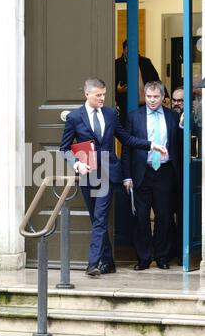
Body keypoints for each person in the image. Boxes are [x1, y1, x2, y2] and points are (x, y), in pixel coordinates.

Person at [60, 78, 167, 277]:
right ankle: (108, 262)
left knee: (100, 218)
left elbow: (125, 138)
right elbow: (64, 148)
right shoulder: (75, 117)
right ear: (87, 94)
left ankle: (93, 263)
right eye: (98, 95)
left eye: (104, 94)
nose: (102, 98)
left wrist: (151, 145)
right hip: (88, 174)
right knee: (96, 219)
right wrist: (76, 163)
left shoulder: (110, 114)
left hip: (108, 173)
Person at [121, 81, 182, 271]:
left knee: (164, 216)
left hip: (164, 172)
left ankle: (162, 256)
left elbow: (181, 145)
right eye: (149, 96)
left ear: (163, 97)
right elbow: (127, 148)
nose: (152, 100)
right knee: (141, 217)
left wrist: (182, 127)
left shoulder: (173, 116)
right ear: (145, 96)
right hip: (142, 172)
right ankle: (144, 258)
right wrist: (127, 176)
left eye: (156, 97)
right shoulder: (134, 117)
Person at [115, 40, 168, 127]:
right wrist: (118, 90)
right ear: (124, 50)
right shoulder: (117, 64)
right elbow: (111, 85)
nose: (132, 53)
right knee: (129, 134)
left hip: (146, 105)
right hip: (126, 107)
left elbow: (156, 79)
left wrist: (165, 95)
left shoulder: (145, 62)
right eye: (129, 51)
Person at [170, 86, 184, 265]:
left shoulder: (193, 116)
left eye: (180, 100)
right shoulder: (167, 116)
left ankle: (183, 253)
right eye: (174, 100)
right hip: (168, 174)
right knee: (166, 215)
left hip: (185, 174)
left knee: (182, 214)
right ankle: (172, 249)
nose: (177, 104)